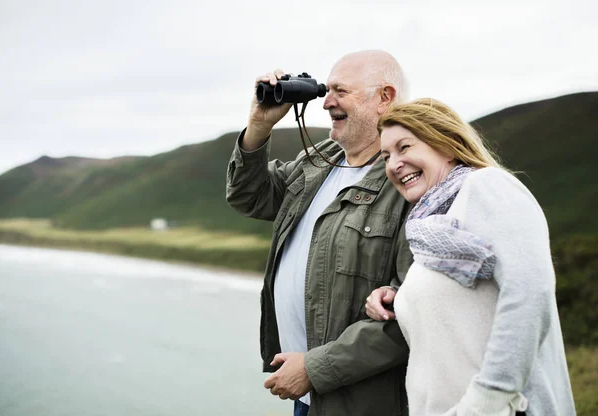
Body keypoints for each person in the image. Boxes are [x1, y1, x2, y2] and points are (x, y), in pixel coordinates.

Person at [225, 50, 414, 416]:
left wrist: (314, 369)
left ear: (385, 98)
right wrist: (259, 124)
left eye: (341, 92)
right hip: (310, 398)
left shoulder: (408, 179)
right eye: (327, 90)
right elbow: (249, 196)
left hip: (362, 404)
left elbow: (411, 313)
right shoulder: (320, 159)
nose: (326, 102)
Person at [366, 98, 576, 416]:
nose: (393, 164)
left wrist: (490, 398)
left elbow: (529, 288)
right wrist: (401, 298)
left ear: (447, 146)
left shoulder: (486, 185)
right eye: (386, 156)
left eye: (404, 147)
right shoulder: (429, 231)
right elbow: (467, 305)